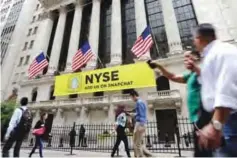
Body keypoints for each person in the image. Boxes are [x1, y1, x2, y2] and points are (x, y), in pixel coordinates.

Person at [147, 52, 212, 156]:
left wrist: (195, 67)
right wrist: (158, 66)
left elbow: (204, 76)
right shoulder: (190, 76)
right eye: (184, 58)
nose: (185, 59)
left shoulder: (203, 70)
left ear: (196, 57)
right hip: (196, 121)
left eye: (188, 57)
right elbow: (173, 76)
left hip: (205, 119)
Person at [192, 23, 237, 156]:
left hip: (230, 120)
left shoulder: (222, 51)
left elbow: (228, 87)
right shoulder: (212, 54)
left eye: (194, 39)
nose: (193, 43)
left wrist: (216, 124)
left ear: (199, 38)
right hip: (223, 120)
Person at [130, 90, 152, 157]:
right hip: (139, 123)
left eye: (131, 97)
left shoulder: (139, 102)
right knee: (136, 142)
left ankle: (140, 156)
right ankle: (138, 155)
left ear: (134, 96)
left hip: (140, 123)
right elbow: (139, 114)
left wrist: (141, 125)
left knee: (137, 143)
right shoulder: (139, 102)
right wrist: (134, 115)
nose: (131, 99)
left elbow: (142, 115)